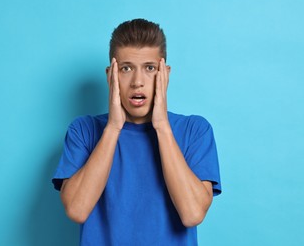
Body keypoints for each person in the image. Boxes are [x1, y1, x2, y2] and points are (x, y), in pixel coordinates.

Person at [52, 18, 222, 245]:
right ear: (110, 75)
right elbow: (77, 210)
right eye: (126, 68)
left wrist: (161, 126)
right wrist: (113, 127)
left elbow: (192, 214)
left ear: (165, 74)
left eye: (150, 68)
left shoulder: (195, 131)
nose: (137, 82)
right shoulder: (84, 131)